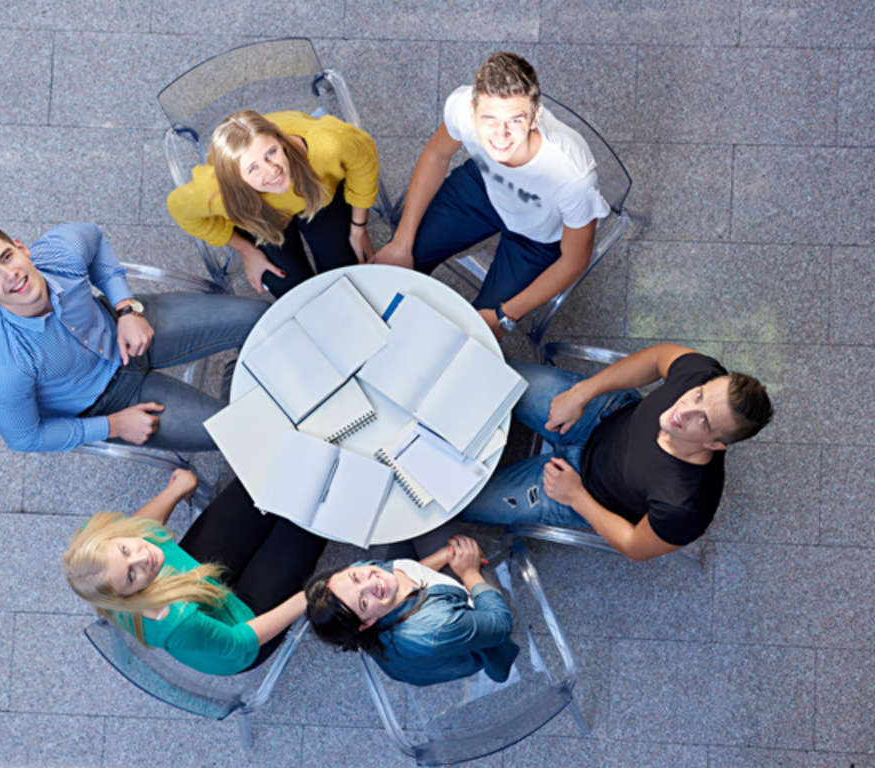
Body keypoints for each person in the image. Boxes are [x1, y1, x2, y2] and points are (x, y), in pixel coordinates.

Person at [0, 218, 268, 453]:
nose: (10, 275)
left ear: (21, 248)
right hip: (110, 403)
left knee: (260, 318)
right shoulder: (2, 365)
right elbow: (24, 437)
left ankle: (246, 381)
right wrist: (113, 425)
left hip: (124, 326)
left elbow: (94, 238)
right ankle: (253, 399)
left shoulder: (60, 252)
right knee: (240, 433)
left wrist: (126, 308)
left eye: (7, 257)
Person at [461, 344, 774, 561]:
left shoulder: (686, 506)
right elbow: (657, 358)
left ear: (716, 445)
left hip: (583, 489)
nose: (685, 410)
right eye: (698, 396)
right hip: (602, 414)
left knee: (460, 500)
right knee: (485, 370)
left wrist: (576, 497)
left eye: (703, 421)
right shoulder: (703, 375)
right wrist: (582, 392)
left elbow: (635, 546)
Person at [373, 52, 610, 340]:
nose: (501, 136)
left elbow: (574, 261)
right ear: (473, 111)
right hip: (483, 187)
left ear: (535, 117)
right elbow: (436, 154)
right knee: (394, 267)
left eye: (515, 120)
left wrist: (503, 315)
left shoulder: (572, 177)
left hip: (537, 237)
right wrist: (402, 241)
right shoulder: (462, 108)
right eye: (489, 119)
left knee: (474, 337)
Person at [63, 469, 326, 675]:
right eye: (131, 576)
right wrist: (309, 596)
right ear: (128, 597)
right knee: (311, 518)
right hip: (241, 626)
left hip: (193, 576)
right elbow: (240, 642)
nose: (143, 557)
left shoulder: (96, 542)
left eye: (125, 549)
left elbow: (136, 527)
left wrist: (175, 491)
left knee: (259, 482)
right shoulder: (174, 622)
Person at [167, 109, 380, 297]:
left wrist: (358, 228)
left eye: (271, 152)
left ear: (281, 140)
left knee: (344, 269)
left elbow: (364, 161)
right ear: (236, 180)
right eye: (253, 168)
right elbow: (179, 210)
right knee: (290, 289)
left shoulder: (328, 145)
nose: (272, 171)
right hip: (262, 216)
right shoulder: (216, 192)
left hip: (317, 194)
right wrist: (247, 251)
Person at [306, 534, 518, 687]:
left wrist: (444, 556)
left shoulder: (356, 577)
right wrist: (469, 572)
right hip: (470, 630)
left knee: (419, 518)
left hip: (435, 631)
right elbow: (500, 624)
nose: (372, 582)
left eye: (355, 577)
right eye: (363, 602)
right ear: (367, 623)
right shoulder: (436, 628)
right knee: (469, 540)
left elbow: (409, 572)